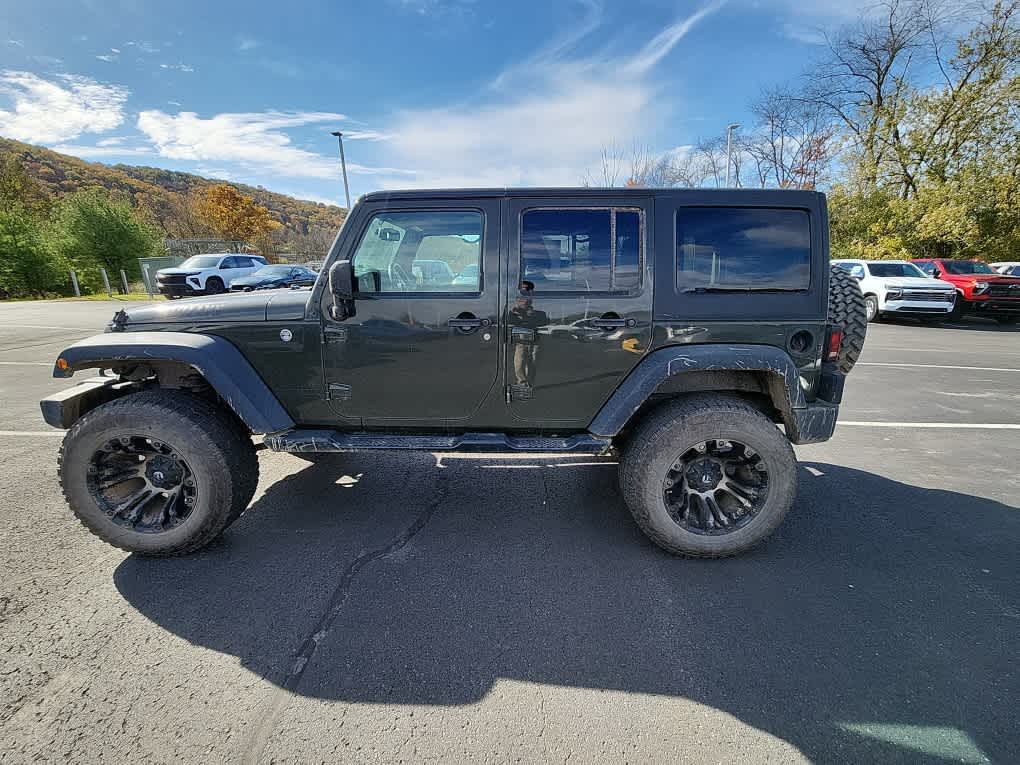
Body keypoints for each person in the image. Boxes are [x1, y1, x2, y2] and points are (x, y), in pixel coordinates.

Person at [509, 282, 547, 388]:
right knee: (519, 362)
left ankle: (530, 383)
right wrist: (515, 314)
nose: (522, 301)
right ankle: (521, 382)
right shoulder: (513, 312)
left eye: (524, 298)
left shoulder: (538, 312)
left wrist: (532, 315)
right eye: (520, 298)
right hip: (520, 341)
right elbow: (507, 322)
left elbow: (544, 321)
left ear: (530, 300)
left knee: (533, 362)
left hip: (535, 340)